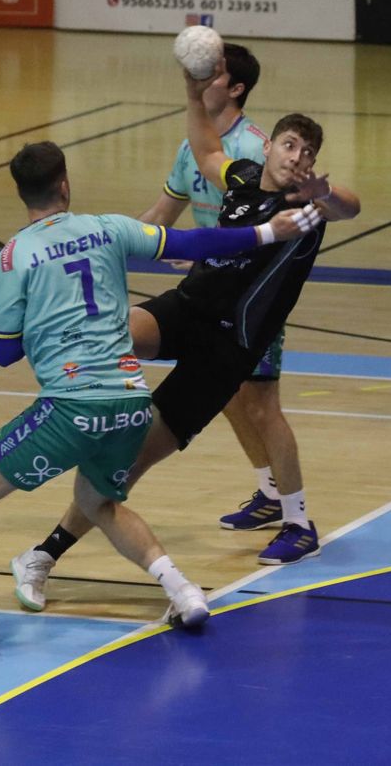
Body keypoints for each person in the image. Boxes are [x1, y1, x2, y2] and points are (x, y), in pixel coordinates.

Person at [0, 142, 324, 656]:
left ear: (21, 193)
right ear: (64, 185)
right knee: (99, 500)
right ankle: (181, 590)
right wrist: (265, 231)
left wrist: (45, 325)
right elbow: (193, 241)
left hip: (72, 405)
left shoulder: (14, 255)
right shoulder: (108, 228)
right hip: (129, 404)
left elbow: (3, 352)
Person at [9, 61, 362, 610]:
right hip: (188, 308)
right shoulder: (243, 176)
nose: (299, 159)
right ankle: (77, 404)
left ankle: (44, 554)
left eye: (309, 153)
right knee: (110, 330)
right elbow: (206, 151)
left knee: (124, 466)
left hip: (225, 353)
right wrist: (194, 92)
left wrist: (327, 191)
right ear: (270, 148)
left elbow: (351, 206)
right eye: (292, 146)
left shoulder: (308, 208)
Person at [133, 42, 312, 544]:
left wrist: (213, 253)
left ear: (235, 88)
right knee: (229, 398)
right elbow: (160, 217)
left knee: (261, 405)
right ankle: (269, 492)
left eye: (212, 73)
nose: (200, 75)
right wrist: (109, 243)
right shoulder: (195, 145)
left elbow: (278, 232)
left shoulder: (258, 151)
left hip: (253, 300)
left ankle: (299, 518)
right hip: (209, 295)